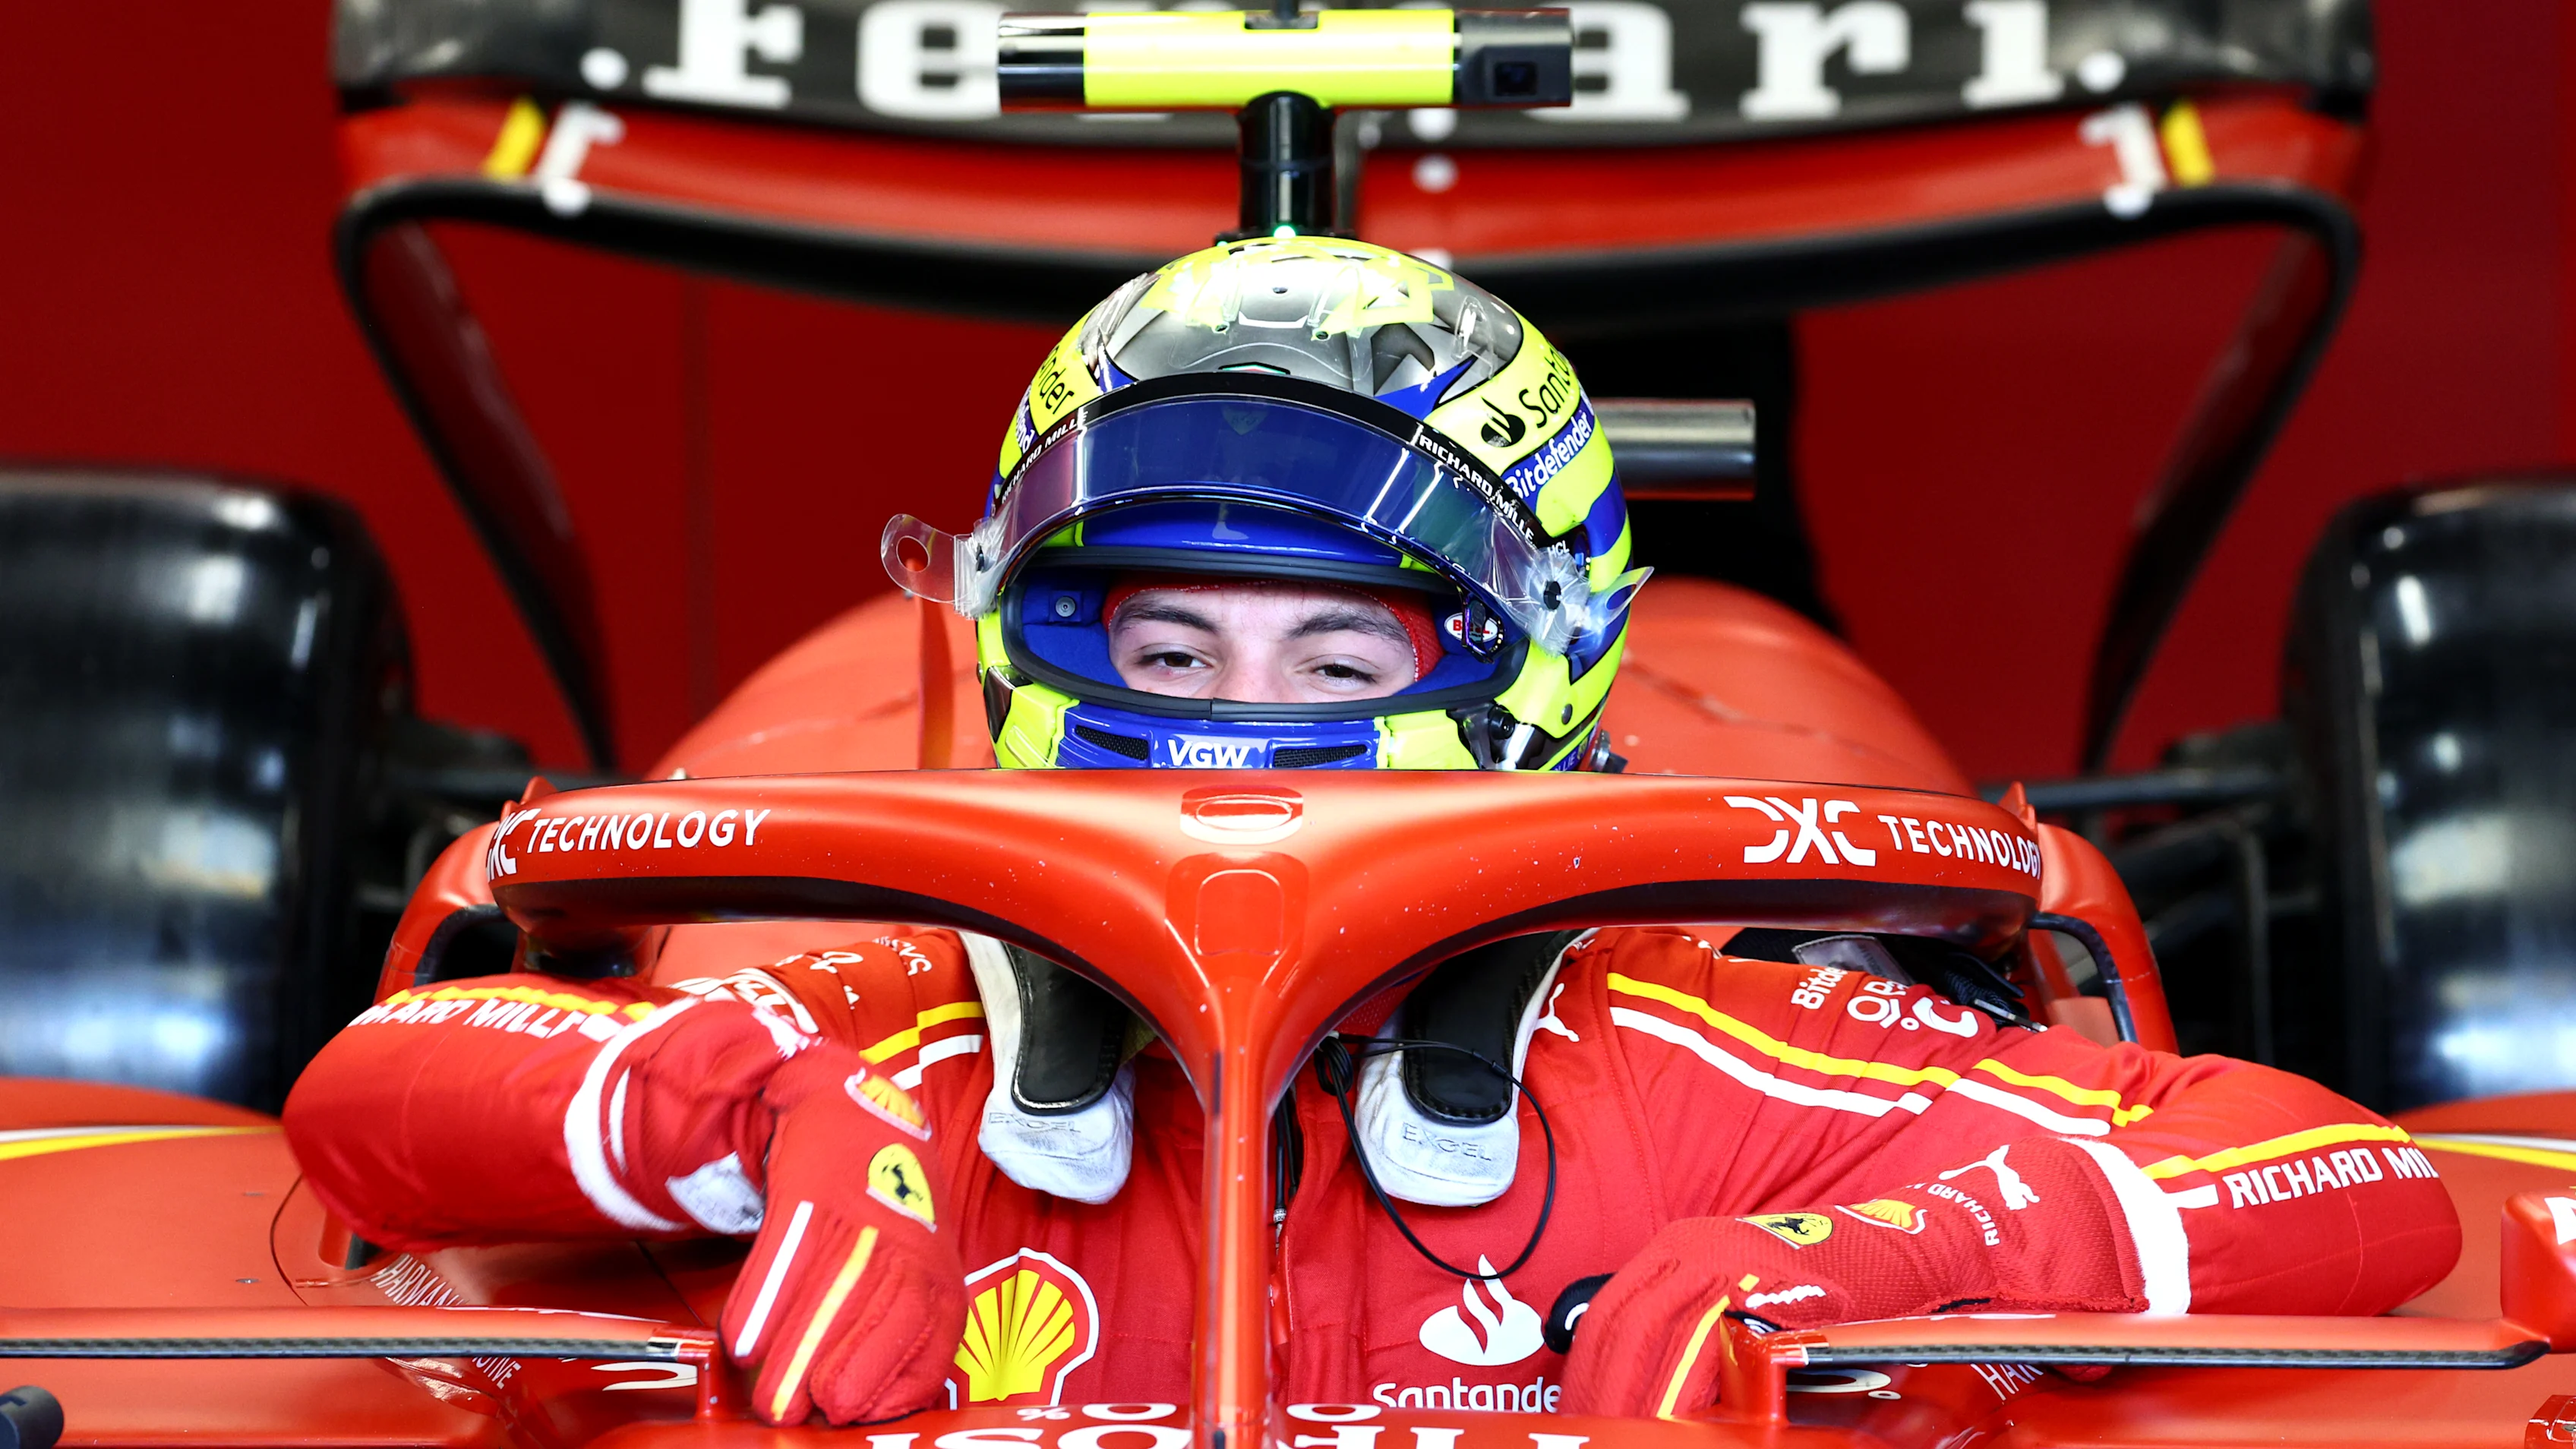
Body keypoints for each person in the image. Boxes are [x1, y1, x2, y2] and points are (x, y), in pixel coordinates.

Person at [283, 238, 2459, 1427]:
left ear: (1529, 674)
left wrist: (1871, 1262)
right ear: (1030, 647)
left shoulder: (1697, 1078)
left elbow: (2372, 1184)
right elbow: (370, 1100)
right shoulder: (895, 1043)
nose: (1243, 732)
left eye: (1342, 666)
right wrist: (760, 1110)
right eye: (1168, 644)